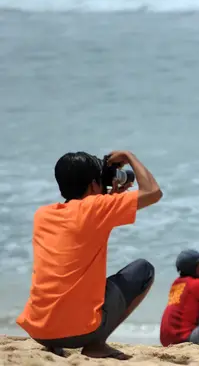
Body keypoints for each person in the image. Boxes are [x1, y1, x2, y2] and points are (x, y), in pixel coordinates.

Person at [16, 150, 163, 360]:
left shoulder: (43, 215)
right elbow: (153, 192)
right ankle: (97, 343)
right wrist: (130, 157)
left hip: (40, 331)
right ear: (94, 184)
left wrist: (108, 197)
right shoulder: (96, 209)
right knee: (143, 270)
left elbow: (83, 220)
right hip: (80, 333)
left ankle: (56, 343)